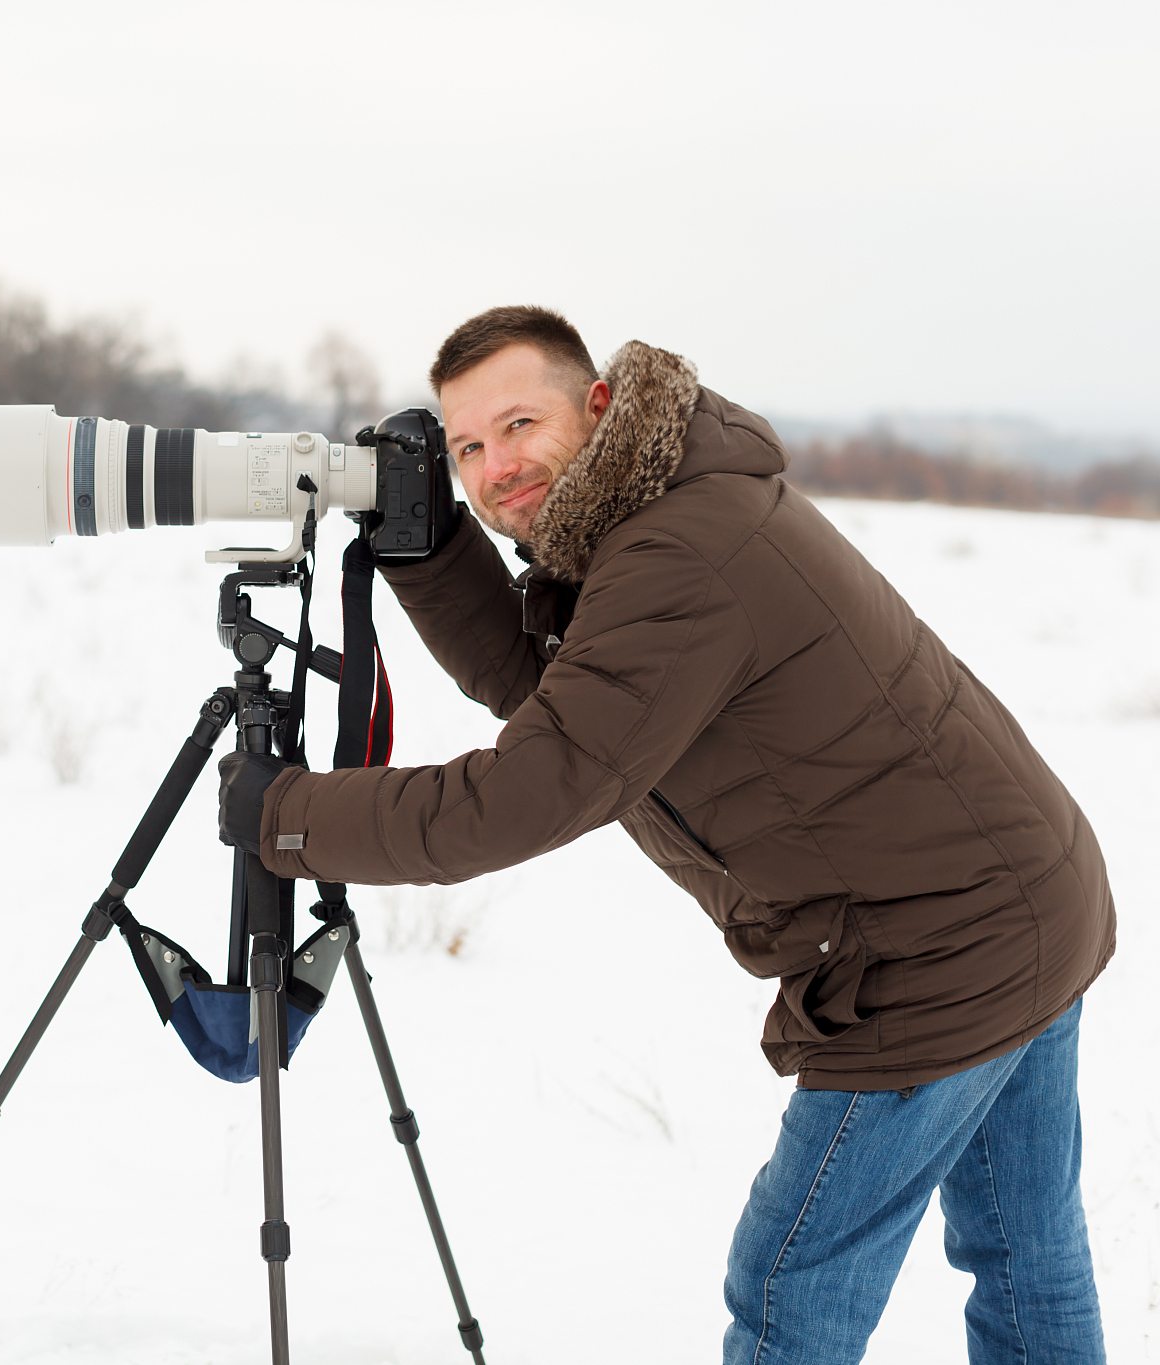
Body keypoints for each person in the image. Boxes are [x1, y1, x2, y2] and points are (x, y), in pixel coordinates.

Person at [215, 306, 1114, 1363]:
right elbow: (559, 693)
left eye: (518, 424)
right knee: (1022, 1255)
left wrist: (285, 816)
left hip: (937, 956)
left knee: (789, 1284)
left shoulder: (674, 555)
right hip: (1021, 902)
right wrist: (427, 550)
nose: (494, 466)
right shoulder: (649, 511)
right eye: (466, 448)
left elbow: (531, 791)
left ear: (597, 407)